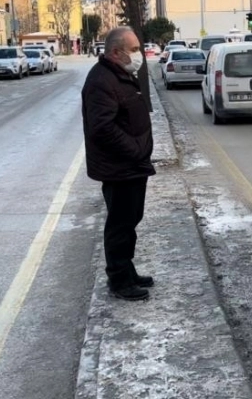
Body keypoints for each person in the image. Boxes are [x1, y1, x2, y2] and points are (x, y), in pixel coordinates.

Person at [81, 26, 155, 301]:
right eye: (134, 49)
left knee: (130, 219)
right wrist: (135, 149)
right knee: (120, 224)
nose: (139, 55)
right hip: (120, 167)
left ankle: (127, 269)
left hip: (131, 165)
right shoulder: (102, 80)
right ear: (115, 52)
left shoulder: (120, 75)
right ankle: (119, 280)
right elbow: (102, 128)